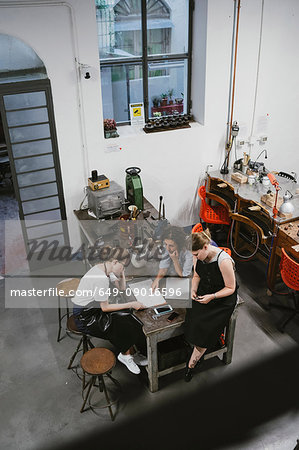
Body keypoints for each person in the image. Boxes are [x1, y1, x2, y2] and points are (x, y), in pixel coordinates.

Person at [71, 247, 147, 375]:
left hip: (91, 309)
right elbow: (105, 308)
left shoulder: (104, 268)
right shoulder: (101, 278)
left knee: (127, 316)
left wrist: (121, 272)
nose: (124, 269)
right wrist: (132, 303)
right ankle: (126, 356)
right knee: (121, 322)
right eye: (123, 266)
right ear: (115, 262)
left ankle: (131, 353)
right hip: (85, 317)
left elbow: (122, 288)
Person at [184, 229, 237, 382]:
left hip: (222, 298)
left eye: (195, 254)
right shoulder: (198, 256)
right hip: (206, 290)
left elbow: (230, 288)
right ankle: (199, 348)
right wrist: (193, 289)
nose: (194, 258)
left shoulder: (223, 260)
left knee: (205, 327)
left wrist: (212, 297)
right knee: (192, 316)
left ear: (205, 247)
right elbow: (197, 275)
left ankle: (191, 364)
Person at [151, 226, 193, 291]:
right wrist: (157, 280)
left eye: (171, 246)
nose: (167, 248)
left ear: (179, 244)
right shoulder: (167, 243)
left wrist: (175, 260)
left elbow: (184, 275)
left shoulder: (189, 251)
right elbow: (164, 266)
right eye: (166, 244)